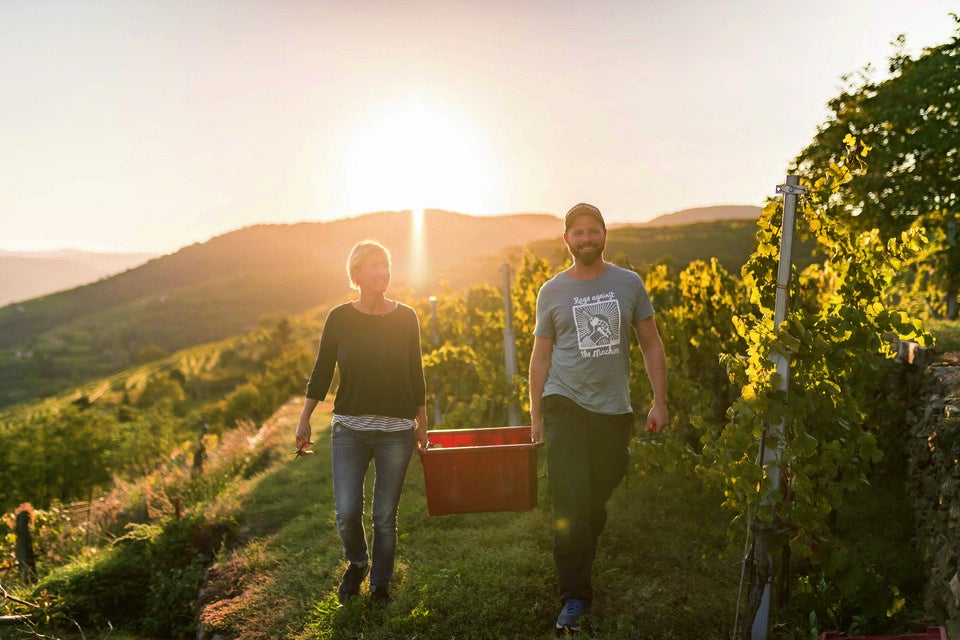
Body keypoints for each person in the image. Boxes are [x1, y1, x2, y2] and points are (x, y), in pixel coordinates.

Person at [528, 203, 668, 634]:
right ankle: (574, 597)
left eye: (594, 231)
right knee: (570, 502)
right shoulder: (551, 290)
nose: (586, 239)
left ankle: (582, 542)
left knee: (596, 496)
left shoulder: (629, 284)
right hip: (564, 404)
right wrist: (536, 414)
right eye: (578, 233)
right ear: (566, 239)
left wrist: (660, 402)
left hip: (613, 409)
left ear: (605, 234)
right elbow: (540, 356)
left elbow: (650, 344)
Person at [296, 239, 429, 605]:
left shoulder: (406, 318)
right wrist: (304, 418)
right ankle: (358, 562)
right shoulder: (339, 318)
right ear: (357, 273)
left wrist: (422, 421)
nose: (383, 272)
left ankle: (381, 584)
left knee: (385, 515)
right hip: (350, 430)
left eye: (386, 265)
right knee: (346, 512)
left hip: (396, 433)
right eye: (374, 266)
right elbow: (322, 371)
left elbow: (415, 373)